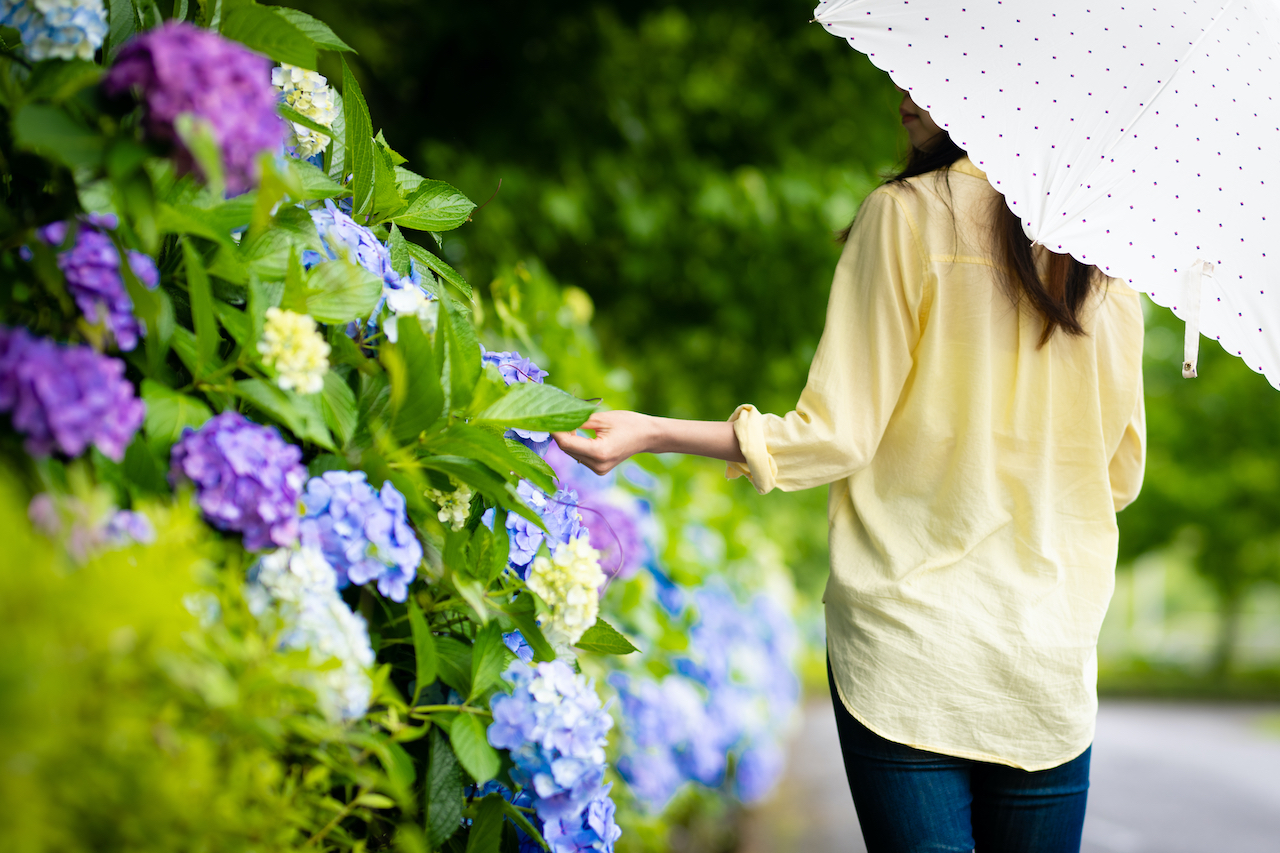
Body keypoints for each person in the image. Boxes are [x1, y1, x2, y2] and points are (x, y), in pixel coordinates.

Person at [553, 87, 1145, 853]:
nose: (907, 91)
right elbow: (1118, 475)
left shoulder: (907, 215)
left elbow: (833, 437)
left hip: (911, 643)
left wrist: (654, 431)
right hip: (1046, 657)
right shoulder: (1108, 265)